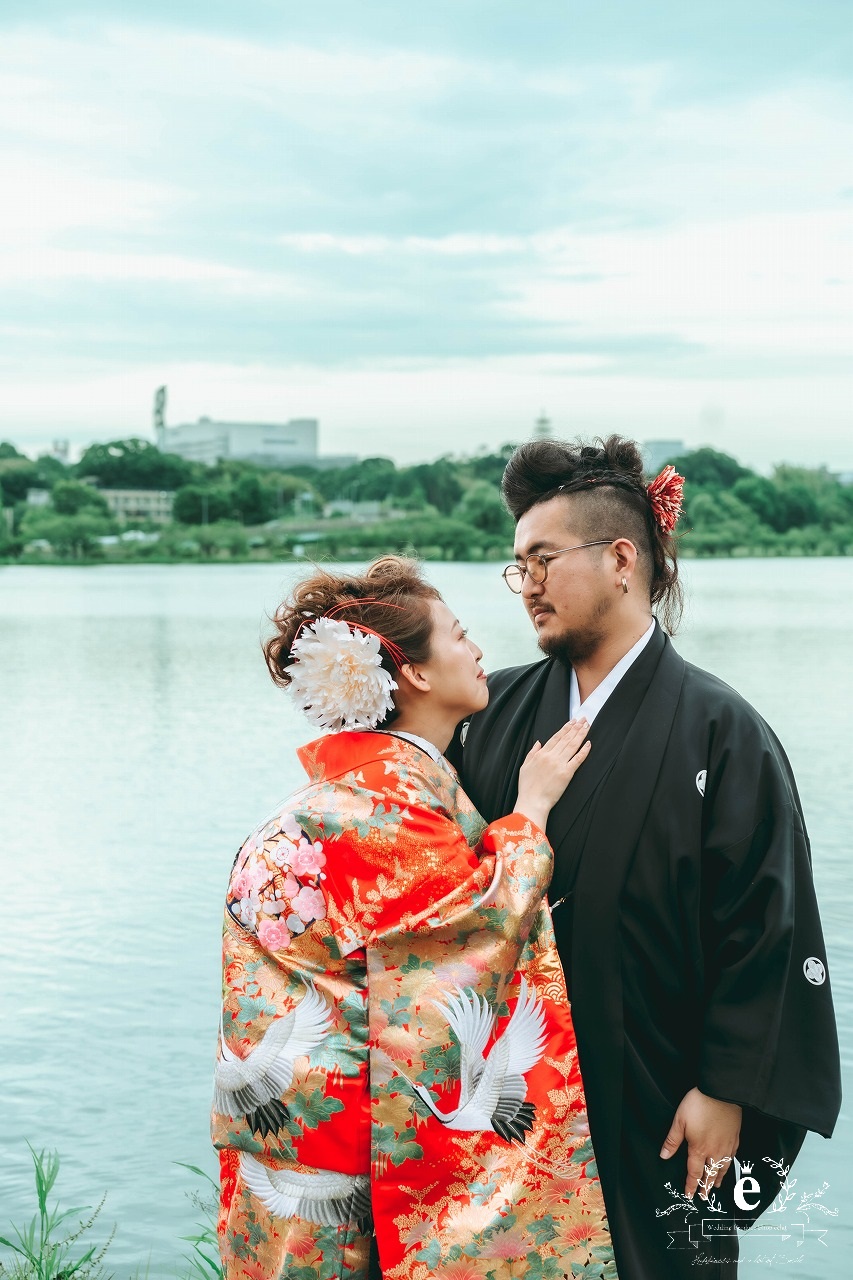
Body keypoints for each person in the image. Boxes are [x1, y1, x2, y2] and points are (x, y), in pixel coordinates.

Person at [448, 436, 841, 1280]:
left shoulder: (717, 727)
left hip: (658, 1090)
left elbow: (764, 923)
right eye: (518, 567)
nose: (528, 586)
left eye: (543, 559)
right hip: (509, 1093)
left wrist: (726, 1087)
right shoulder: (498, 710)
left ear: (621, 558)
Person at [212, 556, 612, 1280]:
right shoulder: (386, 802)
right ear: (417, 676)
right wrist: (528, 815)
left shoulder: (361, 788)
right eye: (459, 635)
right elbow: (470, 938)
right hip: (338, 1158)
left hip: (302, 1131)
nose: (479, 649)